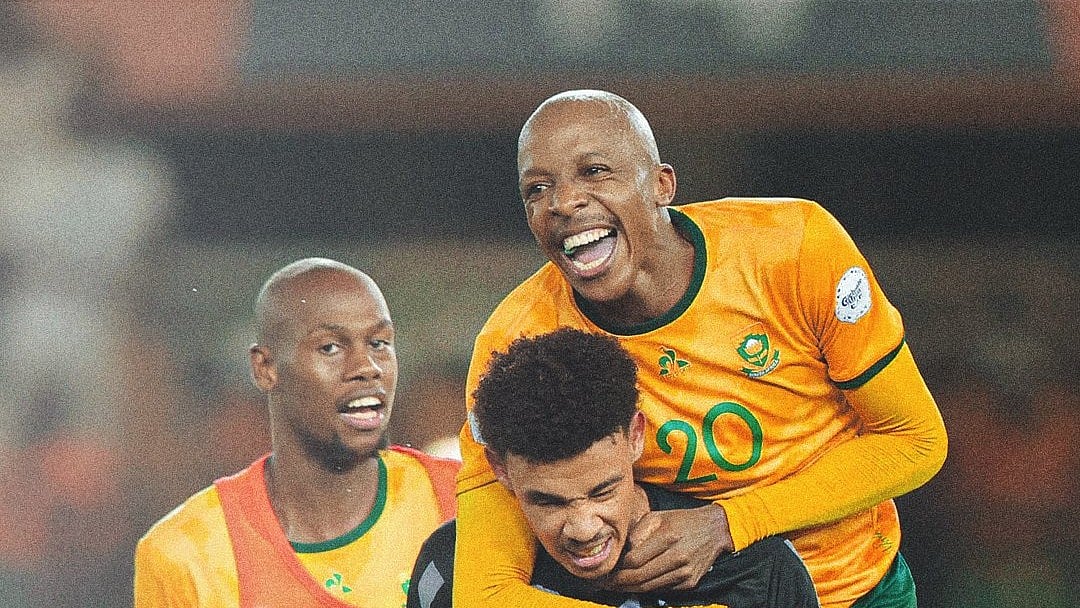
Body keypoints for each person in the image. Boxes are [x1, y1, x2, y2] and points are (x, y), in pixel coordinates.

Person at [453, 90, 948, 608]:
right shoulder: (518, 344)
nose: (562, 203)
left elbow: (916, 441)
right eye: (537, 189)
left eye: (594, 172)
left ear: (662, 184)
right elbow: (485, 592)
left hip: (859, 587)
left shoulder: (794, 248)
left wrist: (728, 524)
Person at [408, 328, 819, 608]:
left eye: (603, 491)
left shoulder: (760, 572)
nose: (584, 530)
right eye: (549, 502)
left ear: (636, 436)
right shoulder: (448, 568)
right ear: (499, 467)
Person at [134, 257, 459, 607]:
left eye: (379, 343)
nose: (367, 367)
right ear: (265, 368)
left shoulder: (463, 499)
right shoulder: (186, 553)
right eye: (330, 347)